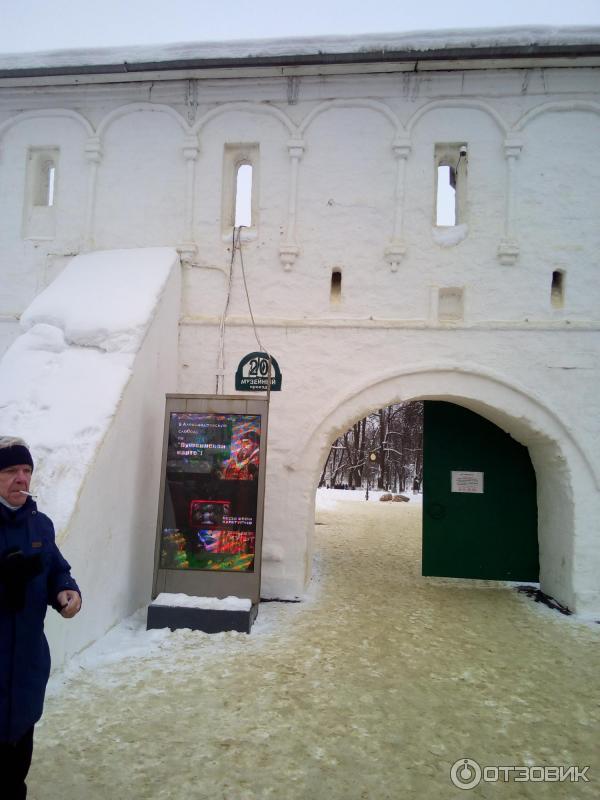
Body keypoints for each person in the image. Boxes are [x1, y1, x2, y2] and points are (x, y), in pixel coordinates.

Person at [0, 436, 81, 799]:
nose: (22, 478)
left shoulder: (40, 525)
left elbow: (56, 570)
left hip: (26, 672)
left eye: (27, 470)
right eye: (11, 471)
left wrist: (65, 591)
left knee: (15, 775)